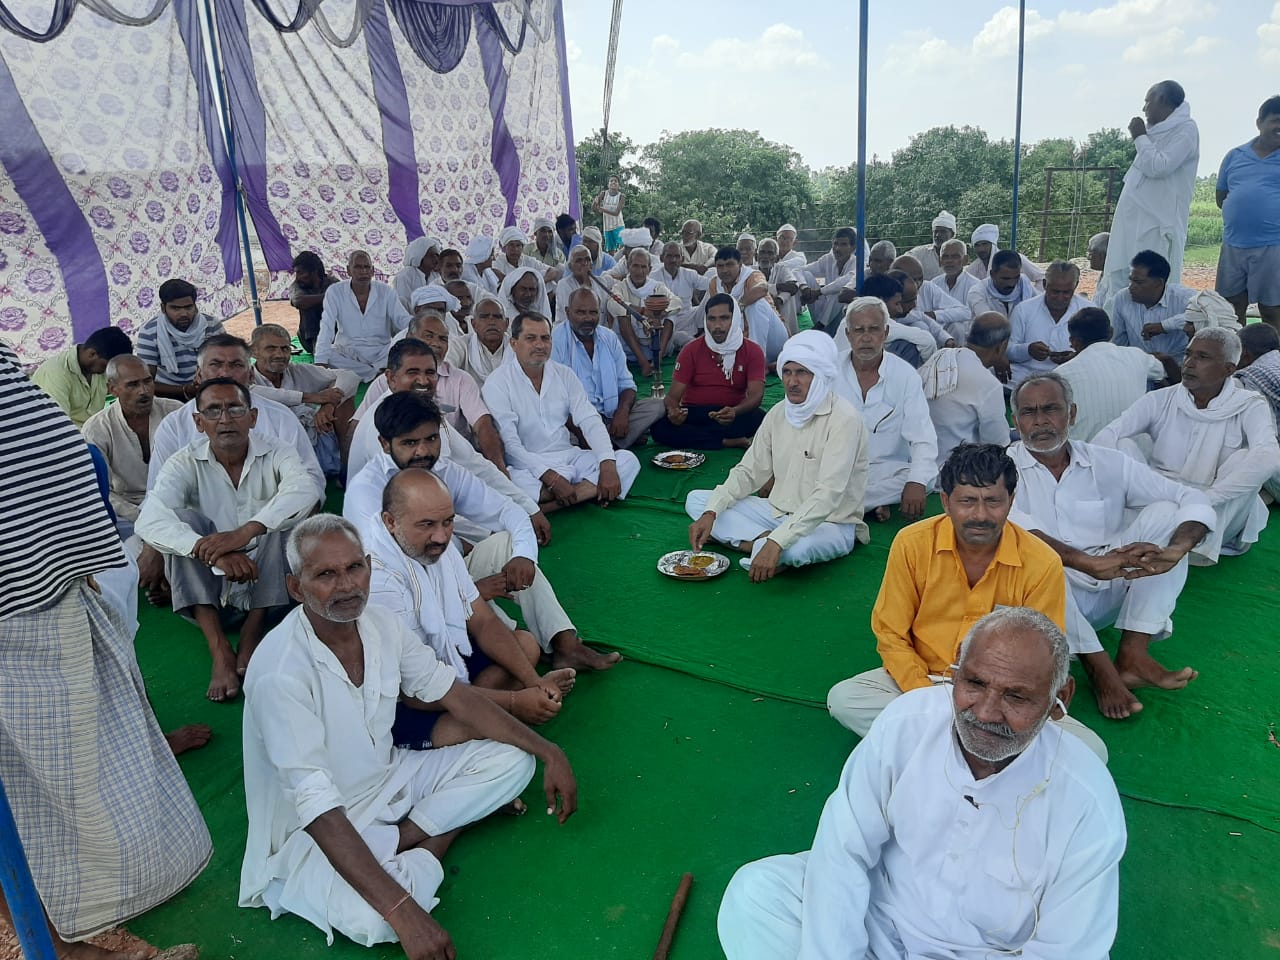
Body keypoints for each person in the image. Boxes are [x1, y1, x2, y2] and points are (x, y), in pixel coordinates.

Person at [238, 514, 577, 956]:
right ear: (296, 588)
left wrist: (549, 750)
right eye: (325, 574)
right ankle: (439, 834)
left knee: (514, 760)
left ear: (370, 568)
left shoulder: (380, 623)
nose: (346, 586)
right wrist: (402, 910)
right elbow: (315, 805)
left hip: (390, 776)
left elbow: (455, 695)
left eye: (354, 568)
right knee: (376, 921)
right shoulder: (280, 671)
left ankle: (403, 839)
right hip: (315, 827)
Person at [719, 607, 1124, 960]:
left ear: (1061, 700)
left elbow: (1068, 951)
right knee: (758, 893)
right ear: (956, 671)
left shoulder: (1085, 800)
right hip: (883, 920)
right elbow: (842, 853)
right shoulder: (906, 723)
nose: (985, 712)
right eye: (975, 684)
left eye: (1016, 697)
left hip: (986, 953)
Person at [0, 340, 210, 960]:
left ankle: (65, 923)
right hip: (18, 607)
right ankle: (35, 937)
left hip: (40, 592)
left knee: (49, 775)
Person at [826, 442, 1108, 760]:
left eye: (993, 502)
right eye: (967, 502)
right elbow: (890, 634)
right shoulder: (912, 543)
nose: (980, 515)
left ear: (1011, 501)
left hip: (999, 696)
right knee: (846, 698)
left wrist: (995, 704)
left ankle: (935, 747)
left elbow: (1040, 656)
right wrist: (922, 693)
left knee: (1092, 750)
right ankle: (985, 752)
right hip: (925, 679)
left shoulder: (1041, 562)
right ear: (946, 501)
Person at [346, 391, 619, 673]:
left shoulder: (442, 470)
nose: (424, 451)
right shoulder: (366, 493)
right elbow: (397, 578)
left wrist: (524, 555)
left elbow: (508, 511)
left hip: (449, 578)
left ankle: (565, 644)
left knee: (507, 543)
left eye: (431, 438)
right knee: (522, 650)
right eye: (410, 443)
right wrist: (471, 594)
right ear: (384, 444)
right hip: (407, 607)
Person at [1009, 372, 1212, 721]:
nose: (1040, 421)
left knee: (1167, 513)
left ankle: (1133, 652)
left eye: (1051, 409)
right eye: (1028, 412)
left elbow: (1190, 497)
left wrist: (1177, 550)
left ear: (1071, 414)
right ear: (1016, 421)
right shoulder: (1004, 467)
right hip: (1041, 604)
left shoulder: (1108, 462)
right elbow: (1013, 529)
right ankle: (1099, 667)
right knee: (1026, 556)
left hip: (1109, 584)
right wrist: (1085, 562)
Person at [137, 378, 320, 700]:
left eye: (235, 408)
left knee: (288, 518)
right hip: (213, 584)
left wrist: (247, 531)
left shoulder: (277, 451)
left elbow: (306, 491)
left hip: (271, 586)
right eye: (213, 411)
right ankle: (219, 646)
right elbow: (150, 517)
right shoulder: (184, 460)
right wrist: (212, 552)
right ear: (198, 422)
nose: (225, 419)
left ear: (252, 417)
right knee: (181, 522)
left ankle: (253, 629)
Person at [366, 468, 576, 742]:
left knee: (525, 645)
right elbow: (415, 692)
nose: (442, 536)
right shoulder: (379, 581)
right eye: (426, 524)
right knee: (472, 730)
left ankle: (490, 706)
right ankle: (488, 712)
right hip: (403, 698)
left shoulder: (439, 548)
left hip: (440, 666)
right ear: (390, 522)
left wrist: (533, 682)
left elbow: (483, 621)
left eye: (448, 522)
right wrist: (513, 700)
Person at [686, 331, 869, 582]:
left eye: (803, 372)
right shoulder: (779, 412)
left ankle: (768, 546)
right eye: (787, 372)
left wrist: (780, 539)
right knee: (698, 502)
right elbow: (749, 471)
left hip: (830, 523)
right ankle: (762, 545)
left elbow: (828, 495)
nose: (792, 382)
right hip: (775, 512)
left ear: (821, 377)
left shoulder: (844, 419)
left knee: (799, 548)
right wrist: (711, 512)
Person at [1095, 327, 1280, 564]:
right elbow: (1109, 434)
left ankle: (1194, 543)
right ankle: (1146, 526)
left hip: (1216, 506)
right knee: (1121, 442)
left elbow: (1268, 456)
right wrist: (1160, 491)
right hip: (1157, 498)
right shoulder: (1162, 398)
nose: (1189, 364)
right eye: (1188, 354)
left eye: (1203, 357)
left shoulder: (1249, 404)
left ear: (1229, 369)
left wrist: (1204, 498)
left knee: (1246, 459)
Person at [483, 312, 641, 510]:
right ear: (514, 344)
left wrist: (607, 465)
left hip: (569, 456)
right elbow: (511, 445)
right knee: (503, 481)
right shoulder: (497, 382)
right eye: (530, 338)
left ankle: (551, 506)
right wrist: (551, 478)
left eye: (545, 338)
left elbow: (589, 420)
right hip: (528, 466)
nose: (540, 345)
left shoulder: (564, 374)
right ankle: (586, 492)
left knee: (627, 460)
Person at [832, 297, 938, 521]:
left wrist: (916, 481)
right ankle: (871, 503)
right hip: (835, 467)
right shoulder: (829, 371)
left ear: (886, 333)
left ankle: (843, 505)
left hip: (883, 470)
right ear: (848, 335)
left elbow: (922, 436)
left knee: (925, 479)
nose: (866, 337)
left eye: (874, 329)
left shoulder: (905, 375)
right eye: (859, 330)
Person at [359, 311, 507, 470]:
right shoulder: (383, 386)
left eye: (443, 338)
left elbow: (482, 425)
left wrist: (499, 468)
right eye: (429, 336)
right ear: (392, 379)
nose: (436, 343)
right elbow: (357, 427)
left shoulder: (460, 379)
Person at [1102, 80, 1200, 295]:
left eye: (1147, 101)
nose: (1144, 108)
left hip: (1157, 224)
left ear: (1162, 100)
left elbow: (1159, 166)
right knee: (1122, 279)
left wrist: (1139, 137)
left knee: (1150, 280)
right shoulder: (1156, 131)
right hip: (1133, 220)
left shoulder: (1186, 130)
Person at [82, 355, 183, 539]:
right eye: (132, 385)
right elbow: (99, 489)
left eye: (148, 382)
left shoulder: (176, 412)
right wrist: (139, 515)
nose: (143, 391)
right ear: (113, 389)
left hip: (176, 503)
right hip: (128, 510)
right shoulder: (96, 429)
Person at [552, 288, 665, 449]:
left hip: (611, 418)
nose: (588, 318)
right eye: (580, 312)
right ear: (568, 312)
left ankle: (606, 443)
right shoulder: (556, 340)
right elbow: (556, 401)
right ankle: (613, 443)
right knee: (559, 434)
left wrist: (622, 413)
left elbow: (627, 385)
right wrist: (582, 433)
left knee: (657, 406)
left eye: (593, 312)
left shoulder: (608, 337)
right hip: (577, 423)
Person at [652, 293, 766, 451]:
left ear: (735, 320)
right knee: (660, 428)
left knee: (761, 418)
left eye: (724, 318)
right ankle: (726, 441)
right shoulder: (691, 350)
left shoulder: (752, 350)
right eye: (711, 319)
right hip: (695, 413)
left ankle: (706, 438)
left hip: (733, 413)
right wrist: (674, 412)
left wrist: (734, 411)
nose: (717, 326)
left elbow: (756, 395)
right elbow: (672, 397)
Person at [250, 323, 358, 475]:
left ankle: (347, 466)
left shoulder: (296, 370)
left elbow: (349, 375)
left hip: (312, 436)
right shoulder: (246, 377)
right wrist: (311, 397)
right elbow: (253, 393)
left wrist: (328, 405)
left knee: (344, 400)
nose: (280, 355)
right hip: (275, 449)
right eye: (271, 348)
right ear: (254, 352)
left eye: (285, 348)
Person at [1215, 95, 1280, 328]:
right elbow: (1221, 197)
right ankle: (1236, 359)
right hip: (1234, 244)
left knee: (1272, 310)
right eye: (1276, 120)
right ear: (1259, 122)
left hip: (1273, 246)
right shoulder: (1235, 156)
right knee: (1230, 309)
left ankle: (1274, 360)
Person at [1056, 306, 1164, 441]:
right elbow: (1161, 371)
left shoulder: (1061, 374)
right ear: (1111, 333)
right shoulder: (1136, 355)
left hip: (1087, 454)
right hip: (1139, 453)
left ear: (1073, 342)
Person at [918, 313, 1011, 468]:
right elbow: (996, 444)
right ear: (1001, 346)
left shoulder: (940, 357)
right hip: (956, 470)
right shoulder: (988, 383)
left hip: (917, 463)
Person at [315, 250, 412, 381]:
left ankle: (366, 372)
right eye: (358, 267)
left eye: (367, 267)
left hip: (381, 352)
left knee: (404, 342)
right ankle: (375, 373)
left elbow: (402, 320)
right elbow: (327, 326)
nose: (363, 272)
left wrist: (420, 326)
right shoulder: (335, 291)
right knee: (328, 353)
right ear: (348, 270)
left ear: (372, 271)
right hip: (348, 352)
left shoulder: (386, 291)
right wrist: (320, 362)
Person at [134, 278, 226, 400]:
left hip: (211, 390)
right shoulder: (150, 332)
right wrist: (185, 390)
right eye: (175, 308)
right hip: (167, 396)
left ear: (195, 306)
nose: (183, 313)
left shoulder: (212, 325)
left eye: (188, 307)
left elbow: (225, 363)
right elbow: (146, 382)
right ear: (163, 308)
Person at [1006, 260, 1094, 385]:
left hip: (1074, 374)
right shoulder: (1024, 309)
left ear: (1075, 286)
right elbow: (1008, 349)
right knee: (995, 373)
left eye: (1066, 292)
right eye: (1055, 291)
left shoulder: (1089, 311)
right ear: (1044, 284)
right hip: (1029, 374)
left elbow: (1099, 349)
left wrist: (1076, 357)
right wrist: (1028, 350)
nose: (1060, 298)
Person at [603, 247, 683, 376]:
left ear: (649, 269)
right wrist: (642, 311)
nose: (639, 271)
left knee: (671, 316)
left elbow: (677, 301)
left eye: (643, 267)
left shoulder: (657, 287)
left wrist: (661, 313)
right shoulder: (620, 287)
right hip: (631, 349)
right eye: (635, 266)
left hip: (654, 344)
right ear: (628, 266)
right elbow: (612, 304)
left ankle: (658, 359)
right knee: (622, 315)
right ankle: (643, 363)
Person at [30, 325, 132, 427]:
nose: (108, 371)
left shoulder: (99, 368)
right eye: (105, 366)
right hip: (67, 436)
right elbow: (56, 424)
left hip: (93, 433)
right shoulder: (55, 373)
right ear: (92, 354)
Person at [1108, 249, 1194, 367]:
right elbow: (1119, 342)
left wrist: (1165, 326)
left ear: (1159, 283)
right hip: (1140, 369)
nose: (1131, 287)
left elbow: (1209, 314)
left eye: (1138, 282)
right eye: (1131, 280)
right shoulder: (1122, 298)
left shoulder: (1184, 297)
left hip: (1179, 371)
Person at [707, 245, 788, 364]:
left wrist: (738, 306)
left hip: (773, 339)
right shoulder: (714, 283)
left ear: (740, 264)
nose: (724, 270)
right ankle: (764, 364)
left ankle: (757, 362)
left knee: (756, 304)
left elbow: (762, 289)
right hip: (740, 340)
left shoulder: (752, 275)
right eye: (720, 266)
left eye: (729, 265)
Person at [892, 253, 970, 343]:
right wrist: (921, 318)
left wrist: (934, 315)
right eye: (913, 279)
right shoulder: (886, 293)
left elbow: (965, 312)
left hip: (932, 336)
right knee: (920, 326)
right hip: (898, 341)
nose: (917, 284)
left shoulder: (927, 287)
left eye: (920, 279)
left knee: (957, 327)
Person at [798, 227, 860, 332]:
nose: (837, 248)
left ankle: (820, 327)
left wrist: (819, 292)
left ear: (853, 247)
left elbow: (845, 281)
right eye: (835, 244)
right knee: (807, 275)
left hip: (842, 317)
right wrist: (804, 288)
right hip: (823, 312)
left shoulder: (858, 263)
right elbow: (798, 271)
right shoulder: (827, 259)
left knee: (840, 291)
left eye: (843, 244)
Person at [654, 240, 710, 343]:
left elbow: (709, 284)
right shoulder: (653, 277)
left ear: (682, 259)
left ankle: (702, 335)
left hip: (688, 318)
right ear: (662, 258)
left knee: (713, 290)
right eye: (669, 256)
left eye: (677, 256)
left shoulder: (689, 274)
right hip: (665, 321)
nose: (673, 260)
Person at [454, 293, 512, 386]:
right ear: (473, 324)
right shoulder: (461, 345)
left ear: (506, 324)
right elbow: (446, 371)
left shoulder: (517, 347)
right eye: (484, 317)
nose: (491, 322)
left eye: (497, 317)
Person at [965, 223, 1045, 288]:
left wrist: (1033, 299)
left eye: (985, 244)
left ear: (993, 245)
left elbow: (1042, 278)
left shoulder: (1015, 259)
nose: (981, 249)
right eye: (977, 245)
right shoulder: (972, 269)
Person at [290, 251, 339, 354]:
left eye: (300, 273)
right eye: (296, 273)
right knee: (308, 307)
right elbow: (299, 301)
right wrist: (329, 298)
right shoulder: (298, 285)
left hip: (335, 335)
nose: (297, 277)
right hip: (309, 339)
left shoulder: (332, 283)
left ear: (314, 272)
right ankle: (318, 349)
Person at [967, 249, 1037, 320]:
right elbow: (989, 322)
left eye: (1016, 277)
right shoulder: (977, 292)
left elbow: (1040, 305)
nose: (1011, 284)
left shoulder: (1024, 284)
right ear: (992, 274)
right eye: (1005, 279)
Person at [553, 244, 608, 327]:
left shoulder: (601, 282)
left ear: (591, 265)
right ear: (570, 267)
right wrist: (585, 280)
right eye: (579, 260)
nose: (584, 263)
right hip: (570, 331)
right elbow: (574, 316)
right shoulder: (563, 284)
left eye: (587, 260)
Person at [929, 237, 981, 324]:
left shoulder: (975, 286)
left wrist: (936, 315)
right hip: (936, 332)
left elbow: (969, 314)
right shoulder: (933, 284)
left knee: (956, 326)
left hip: (964, 334)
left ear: (965, 260)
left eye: (955, 256)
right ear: (939, 261)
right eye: (945, 257)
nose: (949, 261)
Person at [756, 238, 802, 335]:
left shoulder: (781, 268)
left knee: (787, 295)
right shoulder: (750, 271)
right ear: (757, 256)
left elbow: (793, 287)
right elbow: (752, 289)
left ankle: (786, 332)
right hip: (759, 309)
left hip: (779, 308)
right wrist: (773, 290)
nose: (765, 256)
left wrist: (779, 299)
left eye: (770, 253)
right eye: (762, 252)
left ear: (776, 258)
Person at [390, 236, 442, 313]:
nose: (436, 259)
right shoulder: (405, 275)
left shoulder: (436, 275)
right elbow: (405, 304)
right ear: (420, 256)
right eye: (431, 255)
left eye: (437, 255)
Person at [905, 209, 956, 280]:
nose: (938, 235)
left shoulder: (959, 256)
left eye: (942, 232)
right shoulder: (919, 253)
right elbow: (902, 263)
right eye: (935, 231)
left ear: (952, 234)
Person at [593, 175, 626, 252]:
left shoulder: (621, 196)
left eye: (615, 181)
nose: (613, 182)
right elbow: (594, 209)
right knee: (611, 250)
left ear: (618, 185)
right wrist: (595, 202)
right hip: (607, 227)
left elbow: (616, 213)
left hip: (618, 226)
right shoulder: (604, 194)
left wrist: (602, 209)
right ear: (608, 184)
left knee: (622, 248)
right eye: (611, 181)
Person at [1085, 232, 1113, 315]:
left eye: (1090, 254)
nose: (1088, 258)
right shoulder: (1105, 275)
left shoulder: (1113, 279)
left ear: (1101, 256)